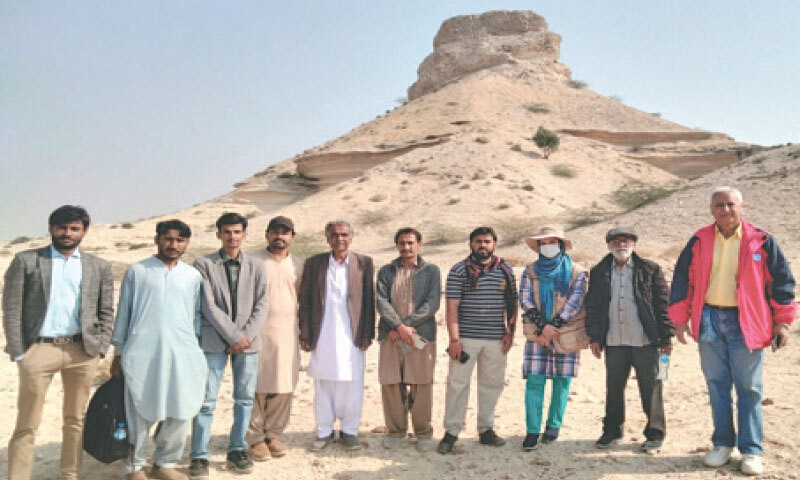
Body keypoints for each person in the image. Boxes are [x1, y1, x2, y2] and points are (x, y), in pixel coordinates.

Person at [668, 187, 796, 476]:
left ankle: (751, 450)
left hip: (747, 321)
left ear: (742, 206)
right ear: (711, 209)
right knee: (716, 384)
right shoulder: (699, 240)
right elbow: (681, 280)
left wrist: (783, 321)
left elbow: (783, 282)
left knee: (749, 388)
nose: (724, 210)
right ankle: (722, 444)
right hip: (709, 319)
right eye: (718, 205)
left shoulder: (761, 241)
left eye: (730, 204)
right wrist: (679, 319)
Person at [3, 205, 114, 480]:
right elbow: (12, 308)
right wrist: (19, 352)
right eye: (62, 227)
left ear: (84, 231)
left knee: (75, 420)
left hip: (82, 350)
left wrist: (100, 347)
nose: (67, 233)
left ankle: (70, 474)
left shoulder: (98, 266)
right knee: (27, 423)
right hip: (38, 349)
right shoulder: (26, 260)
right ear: (51, 228)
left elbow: (106, 311)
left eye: (74, 228)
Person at [111, 220, 208, 480]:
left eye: (179, 240)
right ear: (157, 240)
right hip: (141, 351)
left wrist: (196, 349)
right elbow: (124, 313)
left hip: (183, 352)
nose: (173, 245)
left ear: (187, 243)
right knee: (140, 409)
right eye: (168, 239)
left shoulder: (193, 276)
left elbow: (197, 316)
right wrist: (118, 352)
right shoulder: (138, 271)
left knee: (181, 407)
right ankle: (135, 466)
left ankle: (165, 463)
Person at [189, 213, 268, 478]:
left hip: (249, 342)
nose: (232, 236)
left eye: (237, 232)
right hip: (215, 340)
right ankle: (199, 455)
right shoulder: (203, 264)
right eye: (227, 232)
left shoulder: (257, 266)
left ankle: (237, 448)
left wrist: (244, 337)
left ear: (244, 234)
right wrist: (234, 336)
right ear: (218, 234)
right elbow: (208, 305)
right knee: (206, 400)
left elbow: (262, 304)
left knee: (245, 399)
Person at [584, 226, 673, 454]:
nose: (621, 245)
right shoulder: (599, 271)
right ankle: (612, 431)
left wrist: (666, 337)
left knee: (651, 388)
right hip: (614, 341)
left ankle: (655, 433)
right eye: (616, 241)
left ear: (634, 244)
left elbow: (663, 304)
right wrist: (595, 337)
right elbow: (593, 307)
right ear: (609, 245)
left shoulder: (650, 269)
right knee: (613, 388)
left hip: (645, 341)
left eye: (626, 241)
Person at [438, 226, 517, 454]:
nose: (483, 245)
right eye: (478, 241)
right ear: (471, 244)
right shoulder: (459, 270)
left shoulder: (505, 270)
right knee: (457, 385)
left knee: (491, 385)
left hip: (496, 339)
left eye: (487, 241)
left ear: (495, 244)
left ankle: (486, 430)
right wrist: (454, 340)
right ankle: (451, 432)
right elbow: (452, 308)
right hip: (466, 339)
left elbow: (512, 304)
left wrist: (510, 332)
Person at [298, 220, 375, 451]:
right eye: (334, 235)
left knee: (352, 382)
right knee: (324, 382)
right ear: (327, 237)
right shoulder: (314, 263)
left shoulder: (363, 262)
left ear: (351, 237)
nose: (339, 239)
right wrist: (305, 332)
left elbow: (369, 300)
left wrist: (367, 332)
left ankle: (350, 431)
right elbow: (306, 300)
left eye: (344, 234)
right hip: (322, 333)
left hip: (353, 334)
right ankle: (324, 431)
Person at [518, 226, 588, 451]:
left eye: (552, 242)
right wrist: (542, 326)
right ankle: (532, 430)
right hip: (537, 335)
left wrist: (554, 326)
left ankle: (553, 426)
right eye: (543, 242)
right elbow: (525, 298)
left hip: (566, 333)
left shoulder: (578, 272)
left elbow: (575, 302)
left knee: (562, 381)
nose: (548, 246)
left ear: (560, 245)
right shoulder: (530, 271)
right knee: (534, 380)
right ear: (538, 247)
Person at [376, 228, 441, 451]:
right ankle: (396, 431)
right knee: (391, 383)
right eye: (402, 243)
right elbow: (382, 302)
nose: (406, 247)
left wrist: (407, 326)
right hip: (391, 336)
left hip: (420, 336)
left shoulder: (431, 270)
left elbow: (432, 303)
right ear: (397, 246)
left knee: (421, 383)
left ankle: (423, 432)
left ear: (419, 244)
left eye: (411, 243)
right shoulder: (386, 270)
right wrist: (397, 327)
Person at [247, 216, 304, 459]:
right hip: (256, 333)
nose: (279, 236)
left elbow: (303, 299)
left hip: (288, 332)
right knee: (256, 385)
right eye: (275, 231)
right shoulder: (251, 261)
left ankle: (274, 434)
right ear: (267, 234)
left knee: (283, 384)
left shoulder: (299, 265)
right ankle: (255, 437)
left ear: (292, 237)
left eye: (285, 232)